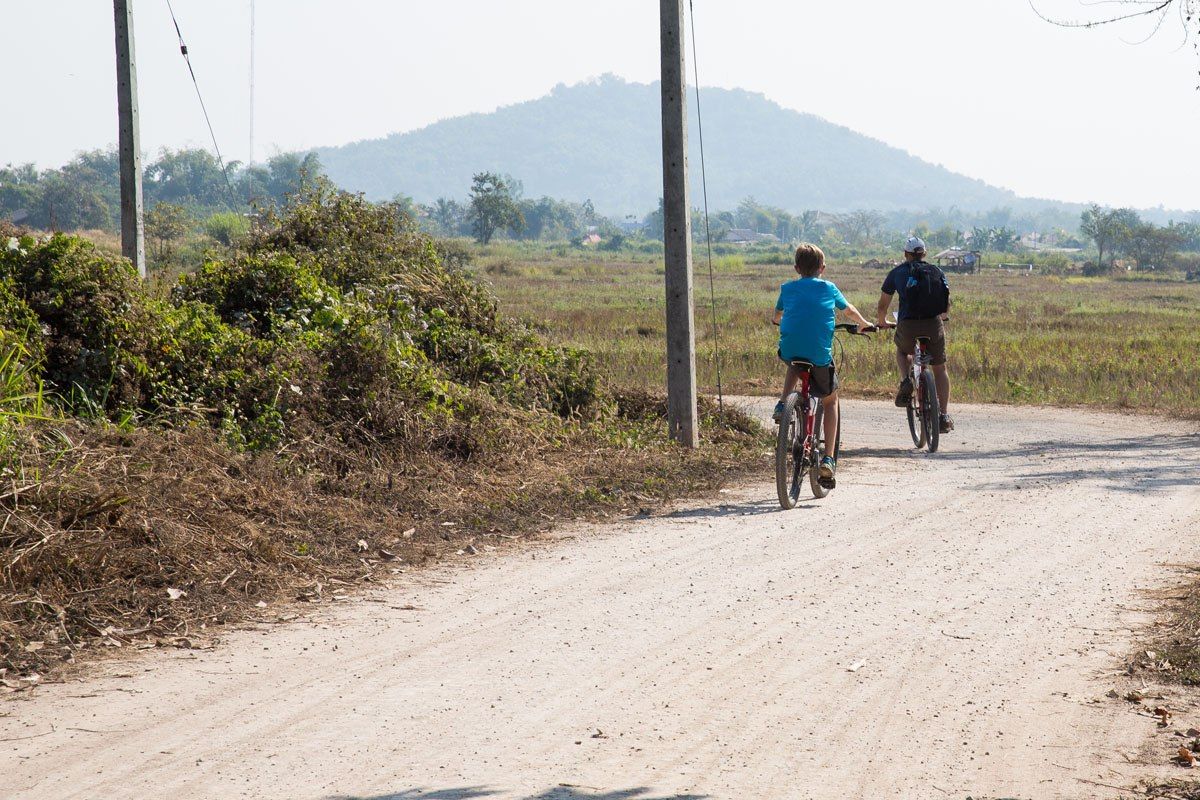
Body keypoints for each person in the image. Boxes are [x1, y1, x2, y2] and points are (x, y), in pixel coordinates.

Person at [772, 243, 876, 482]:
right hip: (818, 354)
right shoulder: (829, 288)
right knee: (830, 400)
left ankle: (781, 404)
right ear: (823, 268)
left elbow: (776, 316)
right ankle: (828, 459)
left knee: (793, 362)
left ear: (796, 267)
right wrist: (863, 323)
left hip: (791, 348)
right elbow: (848, 310)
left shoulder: (787, 288)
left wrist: (779, 320)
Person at [875, 236, 954, 433]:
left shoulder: (897, 272)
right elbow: (947, 301)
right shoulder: (937, 271)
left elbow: (883, 303)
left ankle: (905, 380)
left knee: (902, 352)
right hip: (933, 324)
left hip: (908, 324)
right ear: (924, 254)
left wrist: (883, 321)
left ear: (905, 254)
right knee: (940, 368)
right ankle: (943, 415)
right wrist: (943, 316)